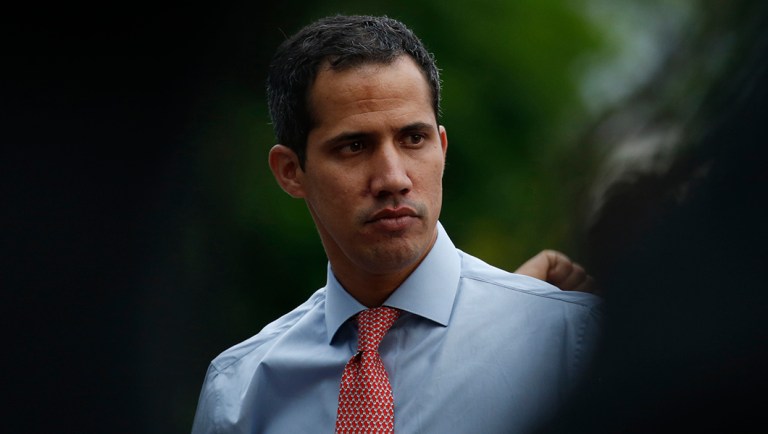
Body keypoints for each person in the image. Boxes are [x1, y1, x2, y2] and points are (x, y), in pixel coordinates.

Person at [191, 15, 600, 433]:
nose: (393, 179)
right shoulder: (240, 391)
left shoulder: (567, 341)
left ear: (441, 147)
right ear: (291, 171)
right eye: (354, 146)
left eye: (413, 139)